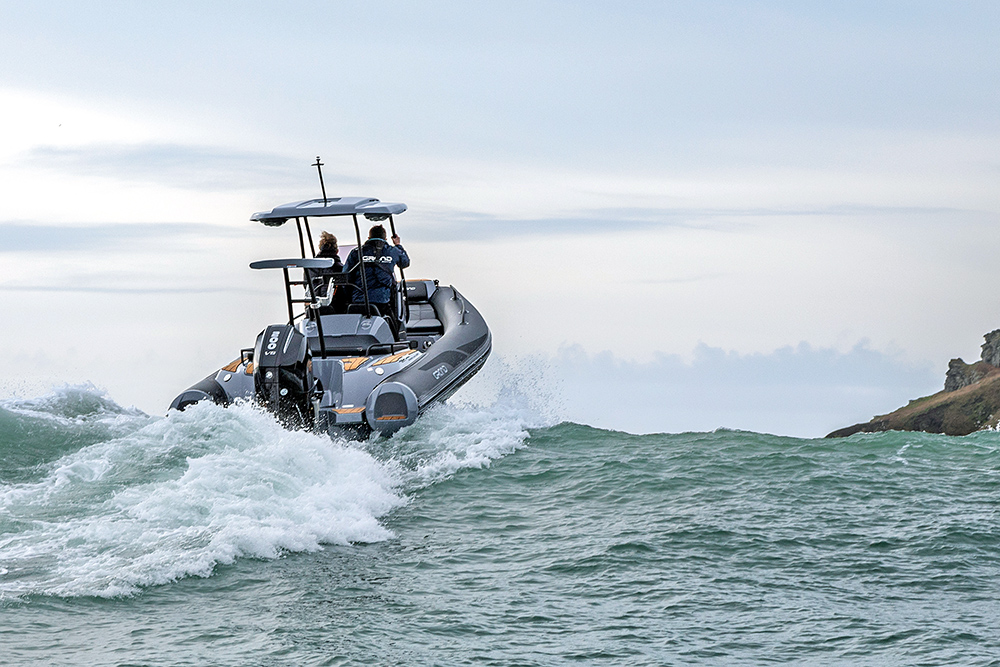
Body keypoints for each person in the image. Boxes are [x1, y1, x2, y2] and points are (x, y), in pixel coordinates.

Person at [344, 224, 410, 326]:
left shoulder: (356, 252)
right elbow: (405, 263)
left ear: (369, 238)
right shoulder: (392, 251)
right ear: (385, 238)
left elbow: (346, 276)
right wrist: (398, 245)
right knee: (393, 326)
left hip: (359, 300)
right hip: (382, 300)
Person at [307, 231, 346, 314]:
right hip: (336, 308)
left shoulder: (310, 268)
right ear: (337, 251)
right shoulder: (340, 268)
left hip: (313, 308)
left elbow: (306, 285)